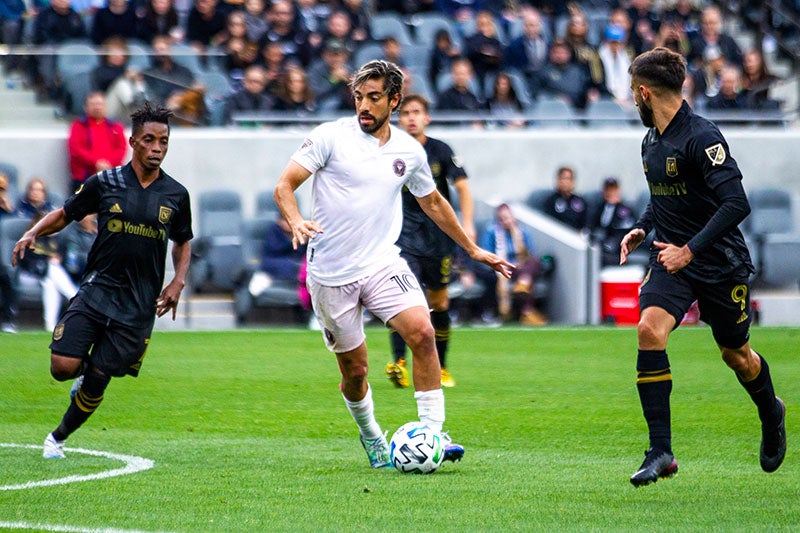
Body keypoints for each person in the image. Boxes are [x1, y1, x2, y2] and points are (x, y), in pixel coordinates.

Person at [273, 60, 513, 469]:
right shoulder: (330, 136)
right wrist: (296, 219)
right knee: (356, 371)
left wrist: (472, 249)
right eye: (359, 98)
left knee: (423, 331)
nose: (364, 106)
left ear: (394, 100)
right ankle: (372, 437)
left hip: (382, 261)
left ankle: (433, 434)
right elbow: (285, 185)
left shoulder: (409, 150)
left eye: (374, 98)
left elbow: (434, 201)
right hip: (331, 274)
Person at [620, 47, 785, 487]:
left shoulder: (702, 137)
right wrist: (641, 227)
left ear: (643, 92)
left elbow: (737, 204)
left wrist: (690, 250)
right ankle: (661, 452)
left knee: (737, 355)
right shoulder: (651, 139)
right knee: (648, 330)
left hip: (717, 263)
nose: (632, 101)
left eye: (632, 94)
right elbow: (664, 199)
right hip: (671, 260)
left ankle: (772, 410)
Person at [12, 103, 193, 459]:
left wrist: (177, 283)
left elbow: (183, 241)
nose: (157, 148)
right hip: (98, 289)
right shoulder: (105, 182)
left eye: (164, 141)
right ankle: (80, 373)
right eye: (150, 140)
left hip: (139, 304)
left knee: (99, 378)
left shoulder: (176, 194)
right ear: (133, 142)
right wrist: (32, 232)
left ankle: (57, 439)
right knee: (62, 367)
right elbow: (65, 214)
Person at [384, 93, 476, 390]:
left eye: (416, 112)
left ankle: (443, 366)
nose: (411, 117)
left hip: (438, 238)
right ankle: (399, 362)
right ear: (399, 118)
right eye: (406, 112)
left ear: (427, 118)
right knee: (402, 298)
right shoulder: (389, 151)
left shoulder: (440, 150)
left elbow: (462, 188)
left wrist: (468, 224)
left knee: (438, 303)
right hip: (402, 237)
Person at [479, 203, 545, 326]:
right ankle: (527, 310)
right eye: (503, 218)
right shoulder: (491, 231)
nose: (506, 221)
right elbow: (485, 253)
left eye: (508, 217)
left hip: (520, 267)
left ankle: (523, 283)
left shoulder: (522, 231)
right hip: (500, 265)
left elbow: (530, 253)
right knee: (525, 276)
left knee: (534, 262)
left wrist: (520, 262)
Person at [67, 92, 128, 194]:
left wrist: (109, 164)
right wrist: (96, 163)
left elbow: (121, 148)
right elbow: (75, 149)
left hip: (111, 177)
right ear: (86, 107)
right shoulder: (78, 126)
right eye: (93, 104)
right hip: (84, 178)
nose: (97, 107)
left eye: (100, 104)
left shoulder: (116, 127)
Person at [589, 177, 636, 267]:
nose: (610, 193)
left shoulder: (625, 210)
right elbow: (592, 226)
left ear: (618, 191)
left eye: (613, 190)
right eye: (608, 190)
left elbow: (626, 228)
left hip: (618, 244)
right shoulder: (599, 208)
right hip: (601, 243)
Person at [542, 166, 587, 231]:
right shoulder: (551, 201)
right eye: (562, 178)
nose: (564, 182)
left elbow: (584, 224)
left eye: (568, 179)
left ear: (573, 182)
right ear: (557, 181)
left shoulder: (580, 201)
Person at [0, 173, 18, 333]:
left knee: (7, 273)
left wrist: (8, 208)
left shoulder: (8, 209)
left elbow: (16, 229)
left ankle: (8, 319)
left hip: (3, 255)